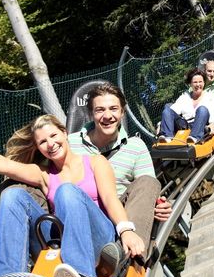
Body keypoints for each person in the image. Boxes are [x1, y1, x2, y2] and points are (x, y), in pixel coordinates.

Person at [0, 115, 145, 277]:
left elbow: (109, 198)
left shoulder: (96, 162)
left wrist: (126, 230)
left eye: (53, 135)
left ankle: (80, 274)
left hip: (99, 240)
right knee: (12, 195)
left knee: (67, 191)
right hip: (62, 245)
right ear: (39, 148)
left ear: (65, 133)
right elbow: (1, 164)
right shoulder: (45, 175)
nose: (50, 144)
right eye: (42, 142)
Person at [68, 82, 171, 245]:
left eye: (113, 109)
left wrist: (159, 206)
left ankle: (129, 256)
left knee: (148, 182)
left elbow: (148, 191)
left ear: (122, 112)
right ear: (91, 114)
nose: (107, 116)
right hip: (84, 214)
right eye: (100, 110)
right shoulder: (69, 144)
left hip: (123, 217)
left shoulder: (135, 146)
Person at [157, 67, 214, 145]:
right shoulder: (185, 97)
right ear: (190, 84)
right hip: (185, 125)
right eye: (195, 82)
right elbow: (172, 111)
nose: (198, 84)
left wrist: (213, 124)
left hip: (200, 124)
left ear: (204, 83)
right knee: (167, 110)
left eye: (200, 82)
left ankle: (195, 137)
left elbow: (213, 111)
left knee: (202, 109)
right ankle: (167, 137)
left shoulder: (209, 96)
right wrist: (160, 124)